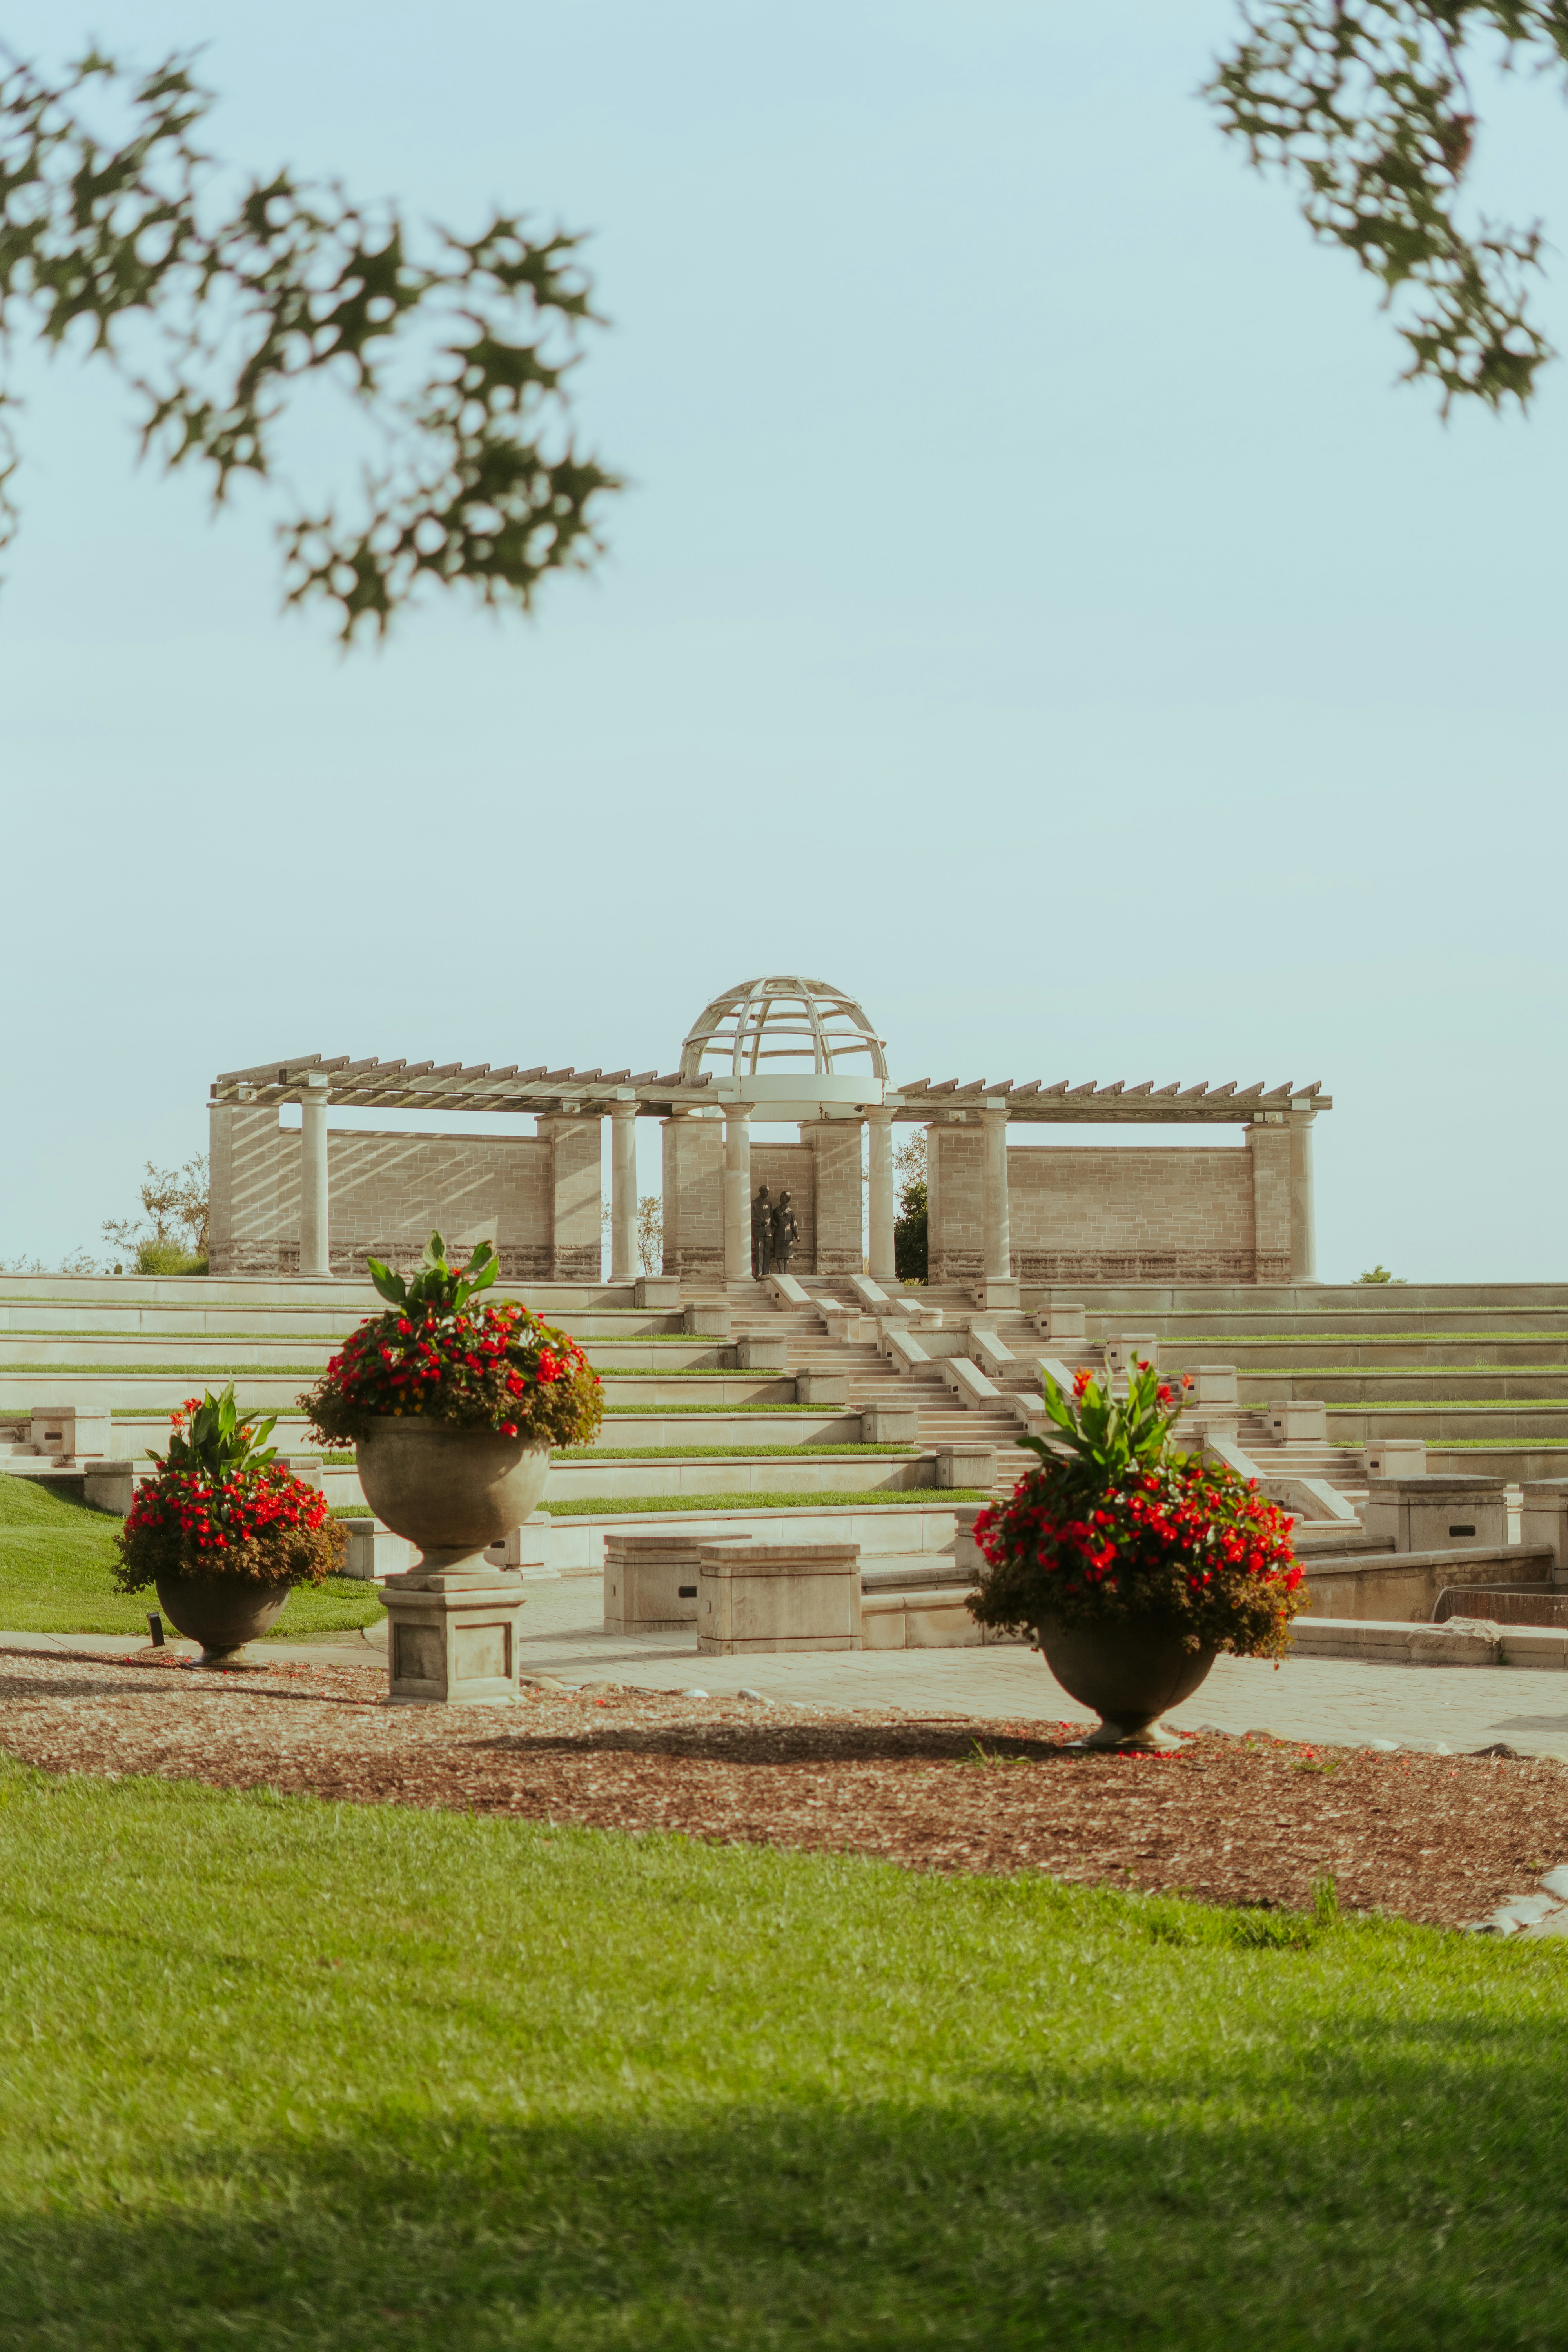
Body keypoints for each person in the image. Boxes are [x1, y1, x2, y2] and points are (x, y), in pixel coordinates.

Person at [770, 1190, 799, 1275]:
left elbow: (794, 1224)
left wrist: (797, 1235)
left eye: (783, 1197)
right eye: (781, 1197)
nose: (781, 1199)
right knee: (778, 1254)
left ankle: (786, 1271)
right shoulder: (776, 1211)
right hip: (779, 1234)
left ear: (787, 1200)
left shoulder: (791, 1211)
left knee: (787, 1255)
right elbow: (773, 1220)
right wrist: (774, 1223)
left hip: (788, 1235)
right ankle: (780, 1271)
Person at [751, 1184, 773, 1279]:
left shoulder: (770, 1204)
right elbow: (751, 1217)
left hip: (768, 1232)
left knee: (767, 1253)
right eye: (766, 1192)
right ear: (761, 1192)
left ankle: (766, 1272)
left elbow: (771, 1216)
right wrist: (761, 1223)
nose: (768, 1193)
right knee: (759, 1253)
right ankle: (759, 1273)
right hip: (759, 1230)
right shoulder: (754, 1203)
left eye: (768, 1192)